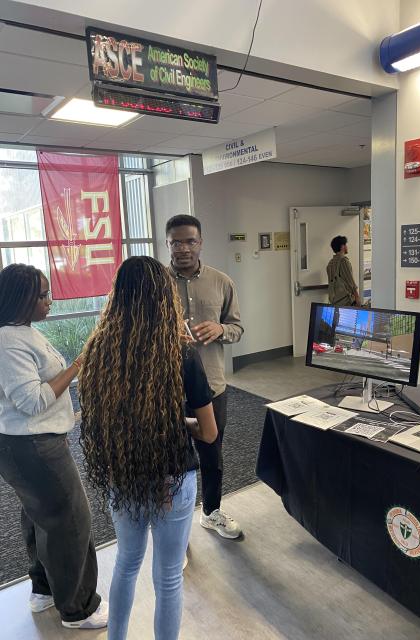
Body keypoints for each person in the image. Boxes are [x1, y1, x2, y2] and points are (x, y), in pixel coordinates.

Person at [78, 256, 217, 640]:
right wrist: (175, 422)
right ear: (164, 297)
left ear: (117, 297)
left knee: (125, 563)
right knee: (169, 576)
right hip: (173, 475)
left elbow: (105, 420)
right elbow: (209, 432)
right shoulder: (182, 354)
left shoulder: (97, 354)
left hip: (123, 474)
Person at [0, 263, 107, 630]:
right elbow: (32, 401)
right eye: (43, 295)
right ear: (22, 299)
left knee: (39, 516)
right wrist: (78, 364)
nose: (50, 300)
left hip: (26, 444)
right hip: (33, 446)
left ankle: (44, 589)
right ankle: (78, 608)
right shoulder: (8, 341)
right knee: (71, 520)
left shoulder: (20, 332)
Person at [166, 214, 244, 539]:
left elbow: (237, 328)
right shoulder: (156, 282)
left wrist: (220, 329)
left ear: (200, 242)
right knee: (171, 463)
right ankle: (174, 527)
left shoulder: (221, 281)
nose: (183, 248)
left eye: (189, 241)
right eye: (176, 242)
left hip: (211, 387)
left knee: (212, 453)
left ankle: (211, 512)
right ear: (167, 244)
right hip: (166, 390)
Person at [327, 235, 361, 307]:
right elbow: (350, 282)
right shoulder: (343, 261)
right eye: (345, 244)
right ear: (342, 246)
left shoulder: (330, 264)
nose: (347, 247)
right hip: (346, 301)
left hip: (335, 301)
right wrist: (357, 298)